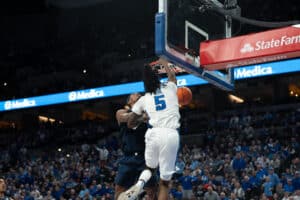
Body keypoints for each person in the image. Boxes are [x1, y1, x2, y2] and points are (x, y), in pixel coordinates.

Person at [119, 58, 180, 200]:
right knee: (164, 182)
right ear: (158, 79)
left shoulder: (144, 99)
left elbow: (130, 123)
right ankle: (140, 186)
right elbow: (172, 77)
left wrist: (141, 119)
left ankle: (139, 185)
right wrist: (165, 63)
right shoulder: (170, 88)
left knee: (150, 168)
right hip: (170, 134)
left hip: (153, 133)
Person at [115, 93, 157, 200]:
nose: (138, 95)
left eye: (140, 95)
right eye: (135, 95)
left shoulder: (149, 113)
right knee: (119, 190)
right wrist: (142, 116)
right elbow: (124, 119)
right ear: (129, 101)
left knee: (151, 191)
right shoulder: (121, 112)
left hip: (145, 157)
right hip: (128, 157)